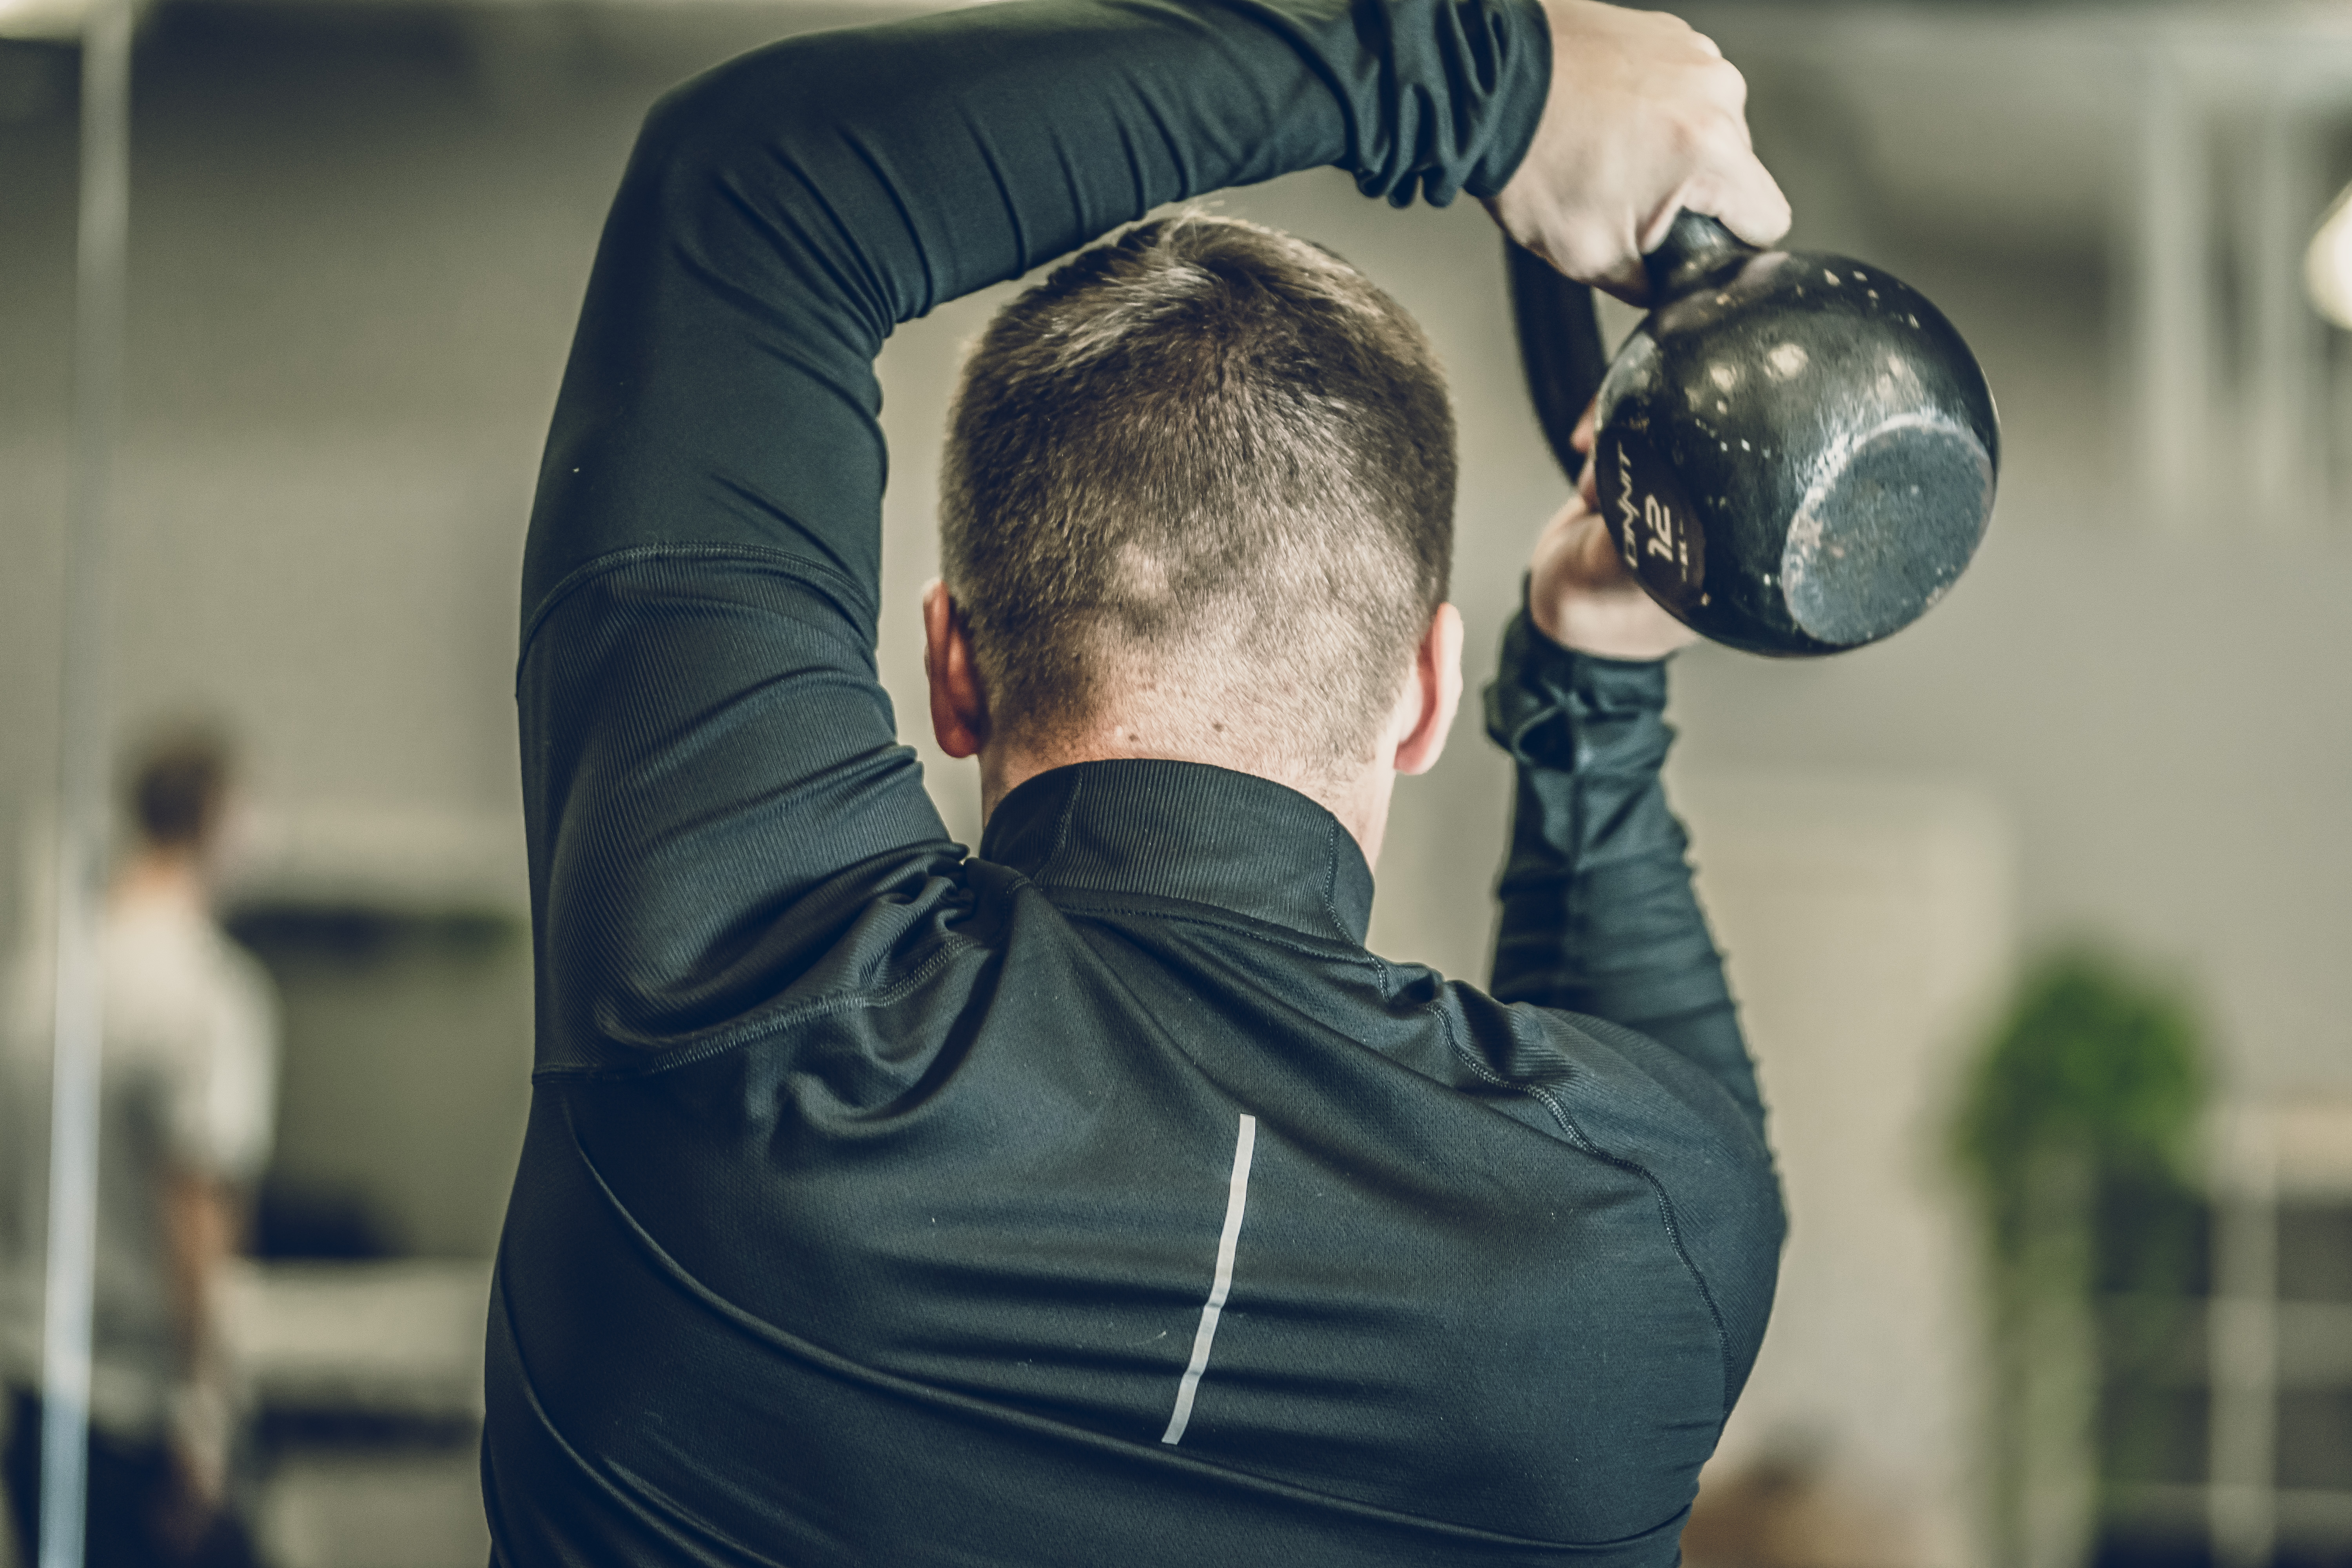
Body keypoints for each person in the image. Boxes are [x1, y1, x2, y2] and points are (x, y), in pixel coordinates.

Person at [487, 0, 1790, 1562]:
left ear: (951, 666)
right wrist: (1591, 689)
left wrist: (1492, 83)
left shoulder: (751, 1003)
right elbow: (1693, 1120)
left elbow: (757, 188)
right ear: (1429, 694)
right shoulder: (1634, 1244)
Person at [2, 730, 273, 1568]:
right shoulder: (205, 987)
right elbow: (195, 1210)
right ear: (216, 819)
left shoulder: (40, 976)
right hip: (140, 1418)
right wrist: (205, 1414)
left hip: (37, 1402)